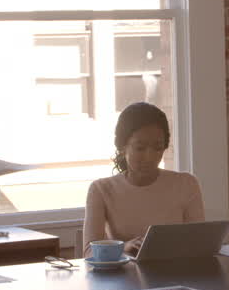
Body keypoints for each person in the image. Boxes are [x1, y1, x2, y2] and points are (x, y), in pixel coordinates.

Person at [83, 102, 204, 255]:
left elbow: (200, 243)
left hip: (176, 274)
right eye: (140, 148)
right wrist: (124, 247)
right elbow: (89, 252)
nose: (149, 157)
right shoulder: (101, 189)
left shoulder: (186, 184)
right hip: (124, 276)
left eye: (158, 148)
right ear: (122, 147)